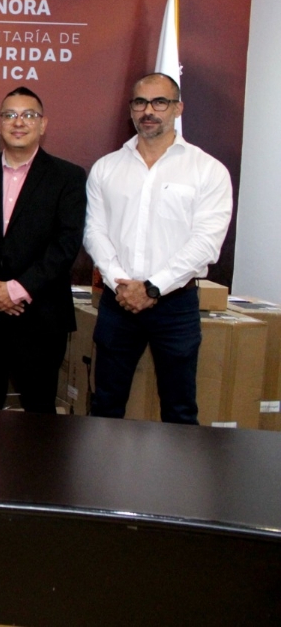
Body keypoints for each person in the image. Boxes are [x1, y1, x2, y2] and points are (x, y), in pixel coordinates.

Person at [83, 73, 233, 424]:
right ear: (131, 109)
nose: (148, 111)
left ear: (178, 108)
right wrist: (121, 283)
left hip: (175, 305)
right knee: (105, 406)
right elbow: (94, 231)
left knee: (180, 410)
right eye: (140, 102)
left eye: (159, 102)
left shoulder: (207, 170)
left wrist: (153, 287)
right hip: (118, 301)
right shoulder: (106, 168)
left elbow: (206, 242)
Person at [0, 87, 87, 414]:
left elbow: (66, 243)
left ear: (43, 124)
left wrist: (17, 289)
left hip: (41, 314)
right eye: (10, 115)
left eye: (29, 115)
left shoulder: (68, 177)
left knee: (40, 412)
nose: (19, 122)